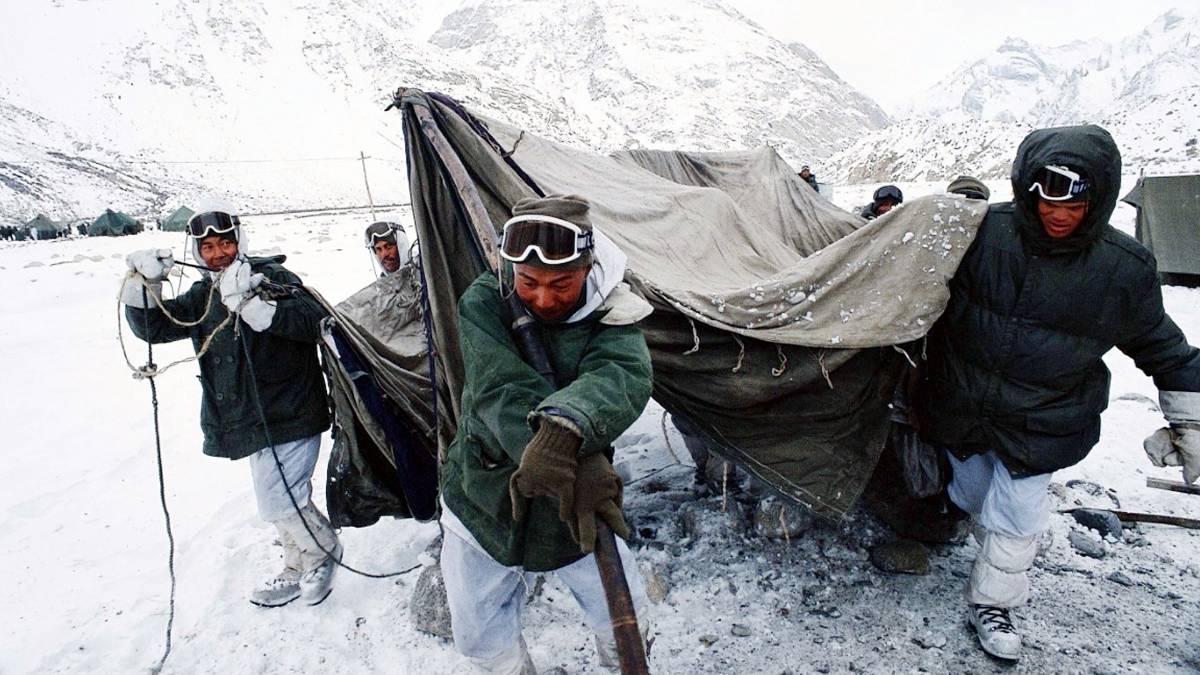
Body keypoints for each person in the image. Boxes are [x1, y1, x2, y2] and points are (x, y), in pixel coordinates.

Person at [915, 125, 1200, 661]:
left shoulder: (1123, 269)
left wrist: (1191, 422)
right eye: (1048, 194)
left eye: (1078, 199)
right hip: (963, 405)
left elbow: (1165, 348)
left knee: (1017, 512)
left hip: (1046, 418)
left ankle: (994, 602)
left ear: (1101, 196)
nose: (1060, 212)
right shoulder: (982, 234)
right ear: (1028, 186)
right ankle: (982, 532)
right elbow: (918, 296)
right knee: (975, 496)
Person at [440, 194, 654, 673]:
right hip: (485, 487)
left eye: (562, 283)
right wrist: (548, 440)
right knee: (478, 627)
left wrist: (567, 431)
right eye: (528, 282)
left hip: (577, 496)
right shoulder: (483, 301)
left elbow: (620, 374)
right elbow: (497, 385)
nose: (543, 298)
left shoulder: (613, 308)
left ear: (588, 266)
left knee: (623, 617)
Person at [122, 200, 343, 608]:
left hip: (292, 408)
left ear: (238, 242)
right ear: (197, 253)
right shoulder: (203, 293)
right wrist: (143, 289)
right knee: (277, 495)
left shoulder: (271, 277)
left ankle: (322, 552)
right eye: (208, 249)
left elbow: (316, 321)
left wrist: (259, 308)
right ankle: (296, 565)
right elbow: (158, 328)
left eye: (224, 243)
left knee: (280, 497)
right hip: (247, 417)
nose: (218, 253)